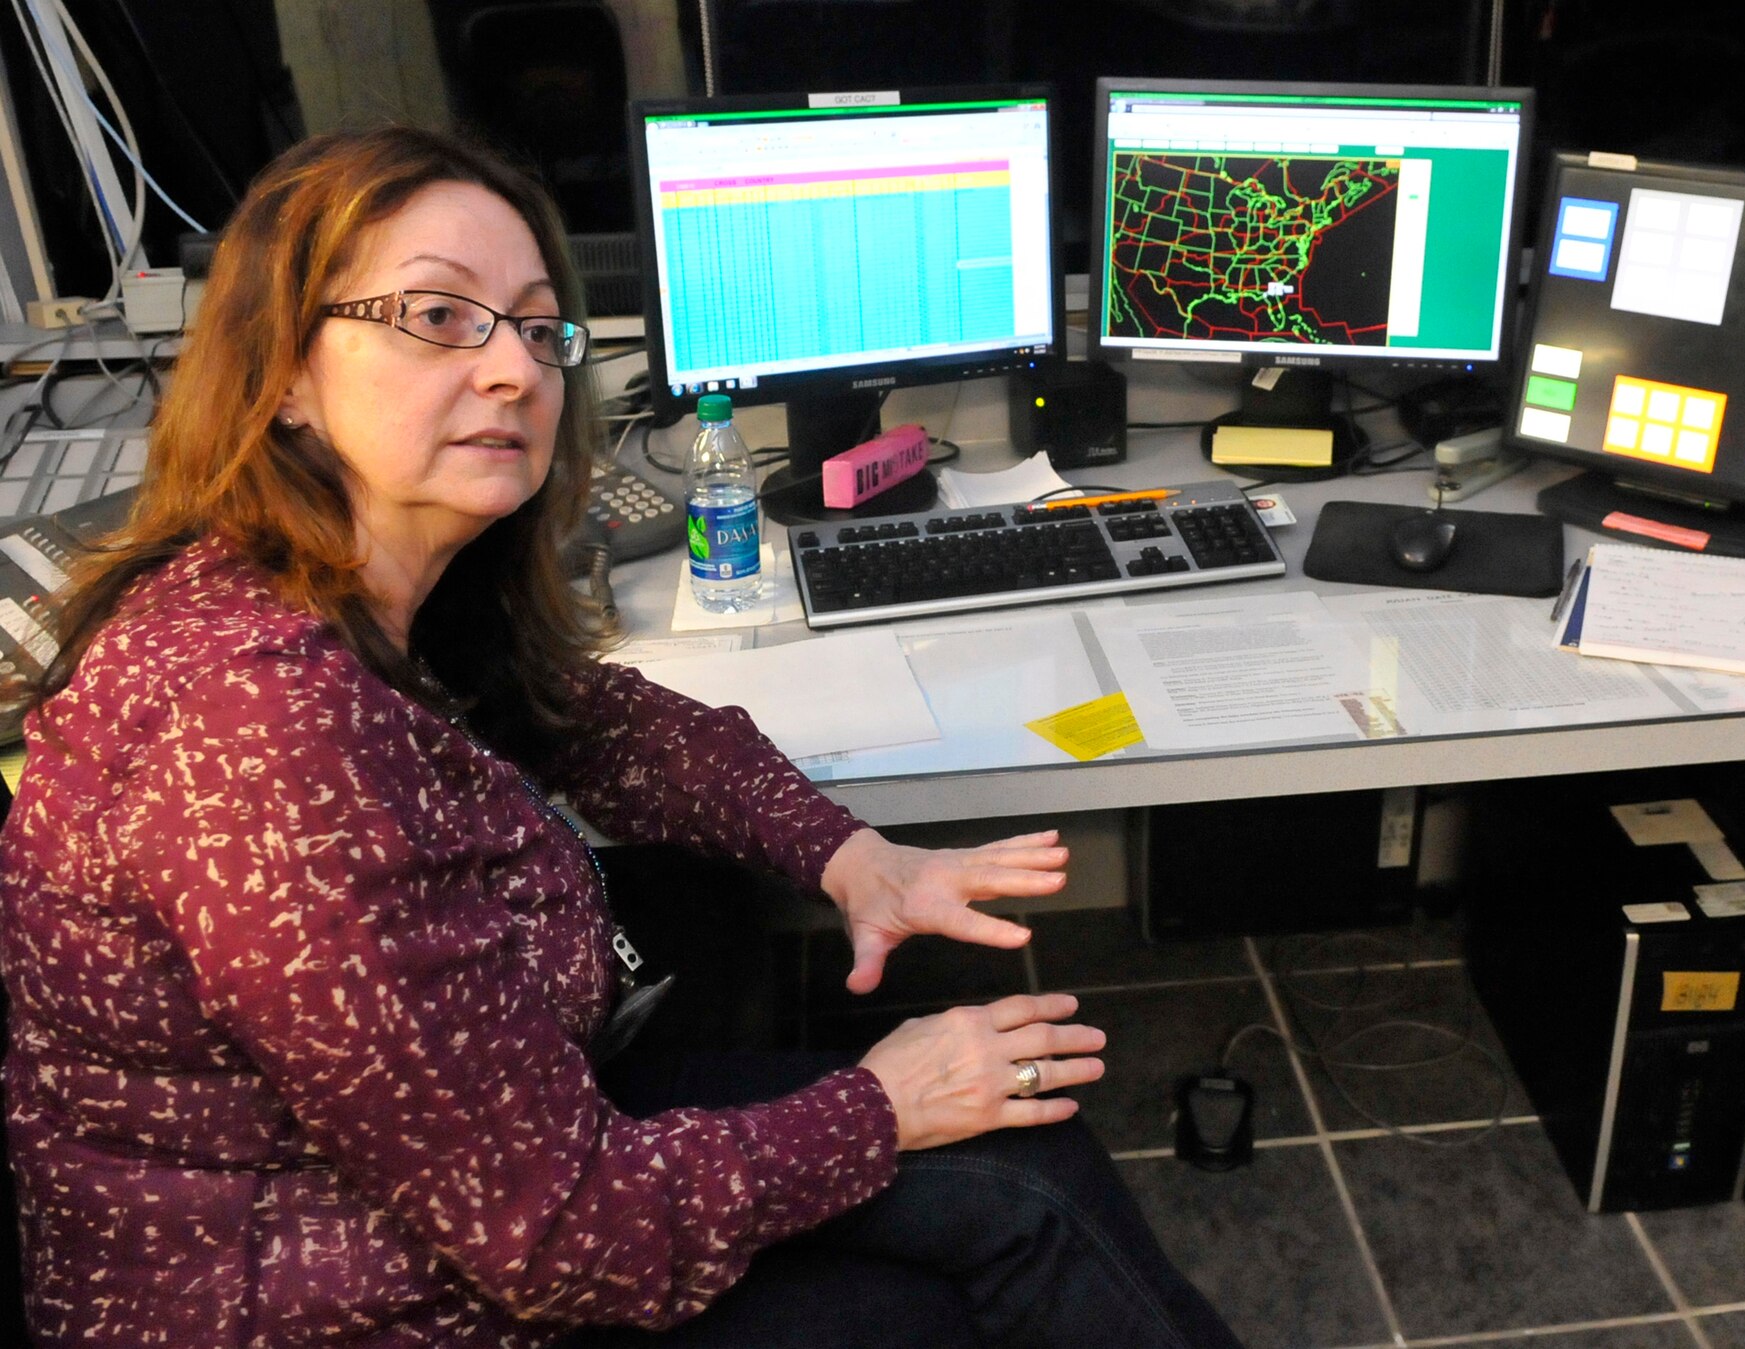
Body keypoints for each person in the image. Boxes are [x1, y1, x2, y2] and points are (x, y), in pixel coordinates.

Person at [0, 127, 1243, 1349]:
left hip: (468, 1168)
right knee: (945, 1270)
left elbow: (595, 722)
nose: (513, 371)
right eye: (440, 315)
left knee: (1019, 1161)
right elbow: (553, 1238)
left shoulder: (361, 591)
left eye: (541, 330)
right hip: (329, 1293)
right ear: (282, 375)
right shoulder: (259, 734)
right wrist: (885, 1103)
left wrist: (850, 854)